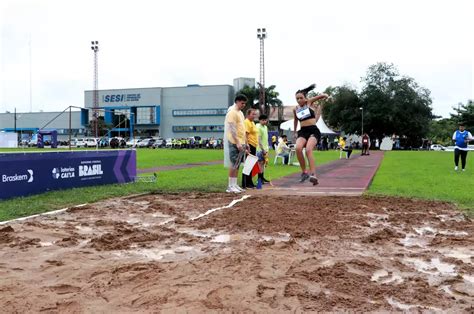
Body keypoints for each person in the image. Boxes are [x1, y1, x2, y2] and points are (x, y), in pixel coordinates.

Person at [293, 84, 329, 185]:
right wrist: (295, 132)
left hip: (313, 130)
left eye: (301, 98)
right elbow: (295, 121)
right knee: (298, 148)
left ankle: (313, 174)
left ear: (305, 98)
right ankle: (304, 172)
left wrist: (325, 95)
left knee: (309, 149)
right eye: (297, 98)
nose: (299, 100)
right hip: (303, 131)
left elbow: (320, 96)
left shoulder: (308, 103)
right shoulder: (295, 109)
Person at [223, 94, 248, 193]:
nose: (243, 105)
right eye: (242, 103)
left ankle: (234, 184)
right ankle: (230, 186)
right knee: (233, 164)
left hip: (241, 142)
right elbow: (232, 128)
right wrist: (237, 142)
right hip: (234, 142)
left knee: (237, 164)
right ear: (237, 101)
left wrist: (246, 143)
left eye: (245, 104)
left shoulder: (240, 113)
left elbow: (242, 129)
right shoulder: (232, 112)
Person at [242, 108, 258, 189]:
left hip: (254, 145)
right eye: (253, 114)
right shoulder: (247, 122)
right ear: (248, 114)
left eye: (255, 114)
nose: (254, 115)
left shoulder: (252, 123)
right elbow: (245, 135)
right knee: (248, 165)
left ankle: (249, 182)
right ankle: (245, 183)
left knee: (251, 165)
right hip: (249, 145)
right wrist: (247, 145)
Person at [256, 114, 271, 184]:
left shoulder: (265, 127)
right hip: (260, 149)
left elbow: (265, 138)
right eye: (263, 120)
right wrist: (262, 149)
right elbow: (259, 140)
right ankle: (259, 179)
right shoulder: (258, 127)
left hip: (265, 148)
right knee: (260, 164)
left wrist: (266, 149)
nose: (264, 121)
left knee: (263, 164)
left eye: (265, 120)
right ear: (260, 120)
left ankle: (262, 178)